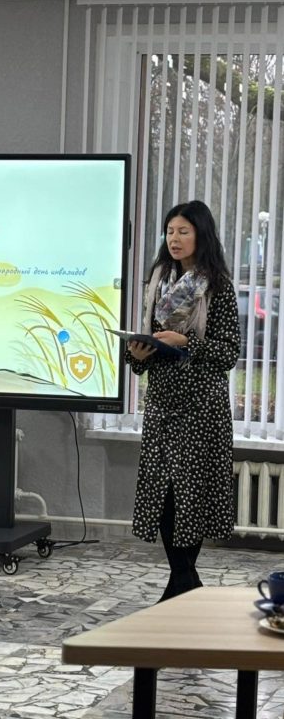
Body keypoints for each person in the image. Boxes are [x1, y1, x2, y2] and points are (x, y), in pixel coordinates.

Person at [126, 200, 240, 602]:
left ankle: (181, 588)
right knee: (163, 496)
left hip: (201, 408)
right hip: (161, 404)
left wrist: (187, 342)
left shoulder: (218, 286)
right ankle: (186, 585)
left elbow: (228, 352)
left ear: (200, 235)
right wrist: (136, 354)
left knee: (189, 496)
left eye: (183, 231)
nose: (174, 239)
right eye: (170, 231)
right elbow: (142, 354)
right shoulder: (157, 282)